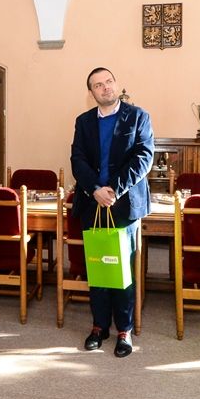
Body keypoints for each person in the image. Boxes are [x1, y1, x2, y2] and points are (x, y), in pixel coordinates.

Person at [70, 67, 154, 357]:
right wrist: (95, 188)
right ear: (91, 93)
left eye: (108, 82)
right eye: (98, 85)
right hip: (92, 202)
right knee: (98, 266)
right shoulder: (83, 122)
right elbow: (77, 159)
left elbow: (143, 157)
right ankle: (99, 326)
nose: (105, 88)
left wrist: (114, 189)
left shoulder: (138, 116)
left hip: (124, 205)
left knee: (122, 270)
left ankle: (124, 330)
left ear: (116, 84)